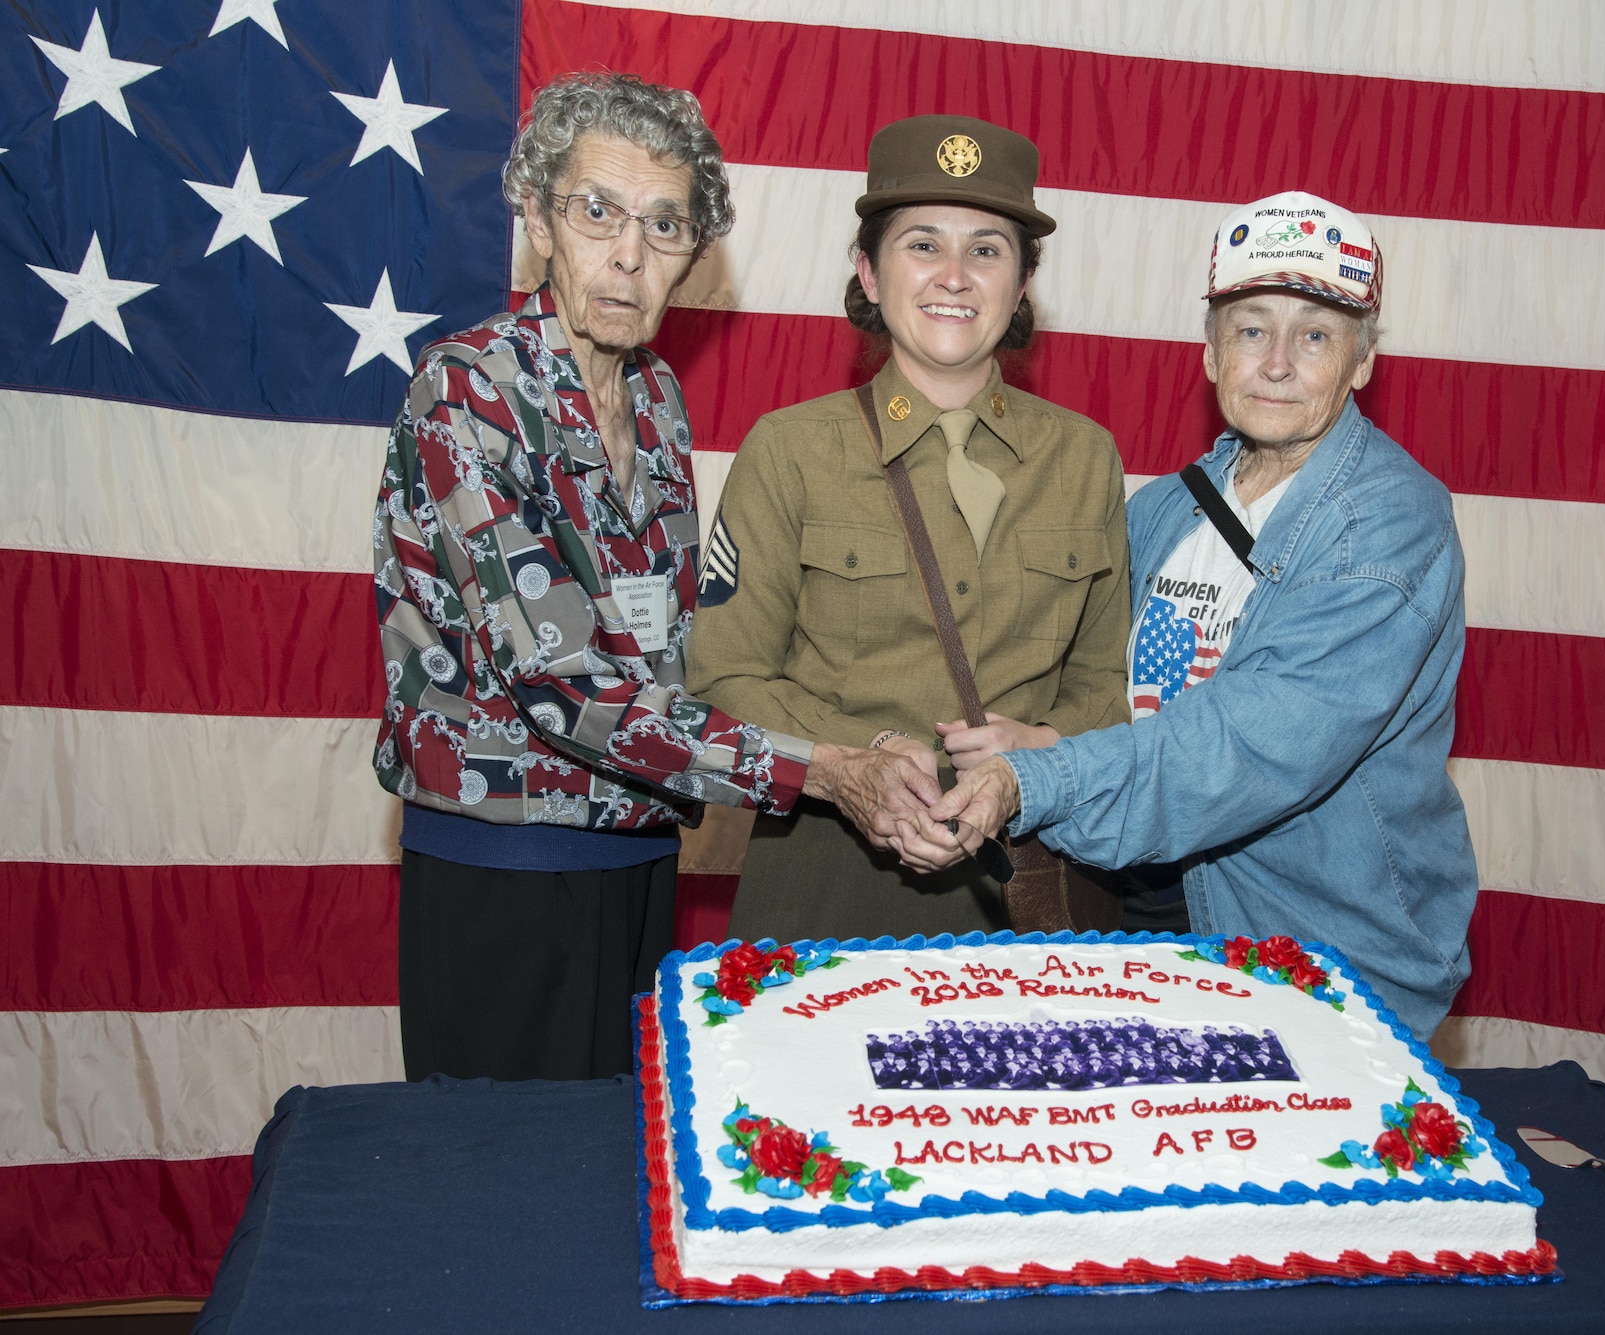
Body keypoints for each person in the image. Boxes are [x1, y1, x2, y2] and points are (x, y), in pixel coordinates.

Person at [373, 74, 940, 1082]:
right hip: (506, 871)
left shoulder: (659, 398)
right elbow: (567, 689)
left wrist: (856, 736)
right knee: (502, 1193)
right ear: (539, 218)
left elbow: (680, 650)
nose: (628, 257)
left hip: (639, 854)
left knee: (621, 1181)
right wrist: (819, 768)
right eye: (597, 212)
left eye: (665, 226)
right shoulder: (467, 390)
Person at [925, 192, 1478, 1039]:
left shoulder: (1388, 524)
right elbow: (1111, 690)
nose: (1279, 362)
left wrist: (1039, 778)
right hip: (1162, 936)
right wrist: (1037, 736)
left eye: (1317, 334)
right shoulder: (1166, 513)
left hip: (1323, 964)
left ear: (1362, 362)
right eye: (1252, 329)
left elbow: (1250, 741)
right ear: (1213, 352)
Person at [685, 115, 1130, 943]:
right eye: (922, 245)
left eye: (988, 249)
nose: (955, 277)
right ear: (868, 270)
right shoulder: (790, 450)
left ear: (1024, 280)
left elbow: (1107, 684)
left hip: (1024, 907)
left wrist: (1041, 750)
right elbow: (722, 677)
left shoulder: (1086, 459)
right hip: (822, 898)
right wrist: (858, 761)